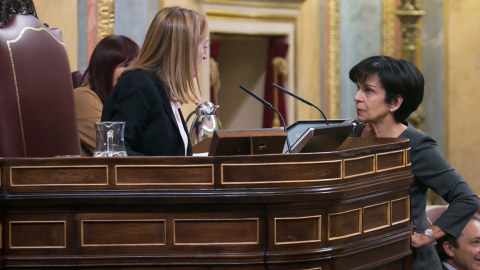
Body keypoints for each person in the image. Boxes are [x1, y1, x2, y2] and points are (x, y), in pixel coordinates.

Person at [349, 55, 479, 269]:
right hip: (369, 258)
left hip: (411, 262)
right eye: (358, 88)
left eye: (368, 91)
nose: (356, 97)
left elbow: (465, 198)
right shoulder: (354, 133)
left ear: (395, 102)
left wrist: (428, 235)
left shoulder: (417, 146)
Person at [101, 6, 209, 156]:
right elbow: (116, 152)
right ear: (183, 49)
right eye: (203, 46)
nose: (205, 55)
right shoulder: (137, 85)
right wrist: (164, 170)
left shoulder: (165, 91)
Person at [74, 35, 140, 156]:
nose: (133, 72)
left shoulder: (126, 101)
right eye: (125, 65)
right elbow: (112, 149)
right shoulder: (83, 97)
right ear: (105, 69)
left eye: (136, 65)